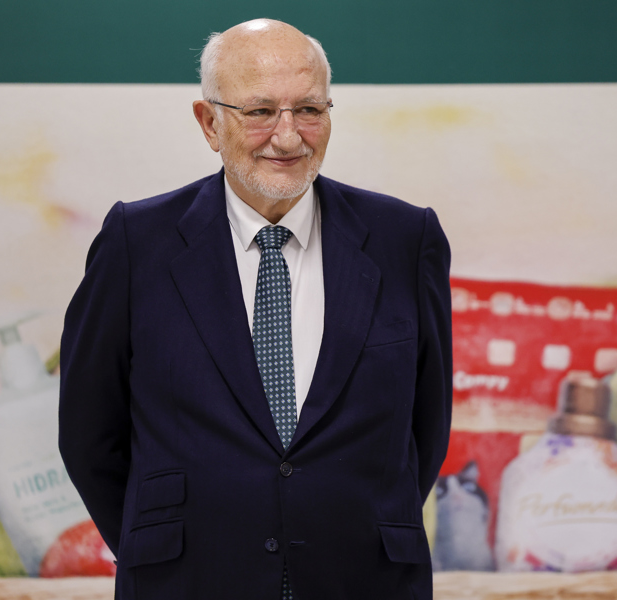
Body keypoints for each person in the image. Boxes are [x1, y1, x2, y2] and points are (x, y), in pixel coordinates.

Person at [59, 18, 452, 600]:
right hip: (188, 582)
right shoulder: (136, 243)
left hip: (364, 579)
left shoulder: (405, 238)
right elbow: (89, 435)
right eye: (260, 111)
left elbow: (427, 423)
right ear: (209, 123)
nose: (288, 137)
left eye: (309, 110)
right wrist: (160, 548)